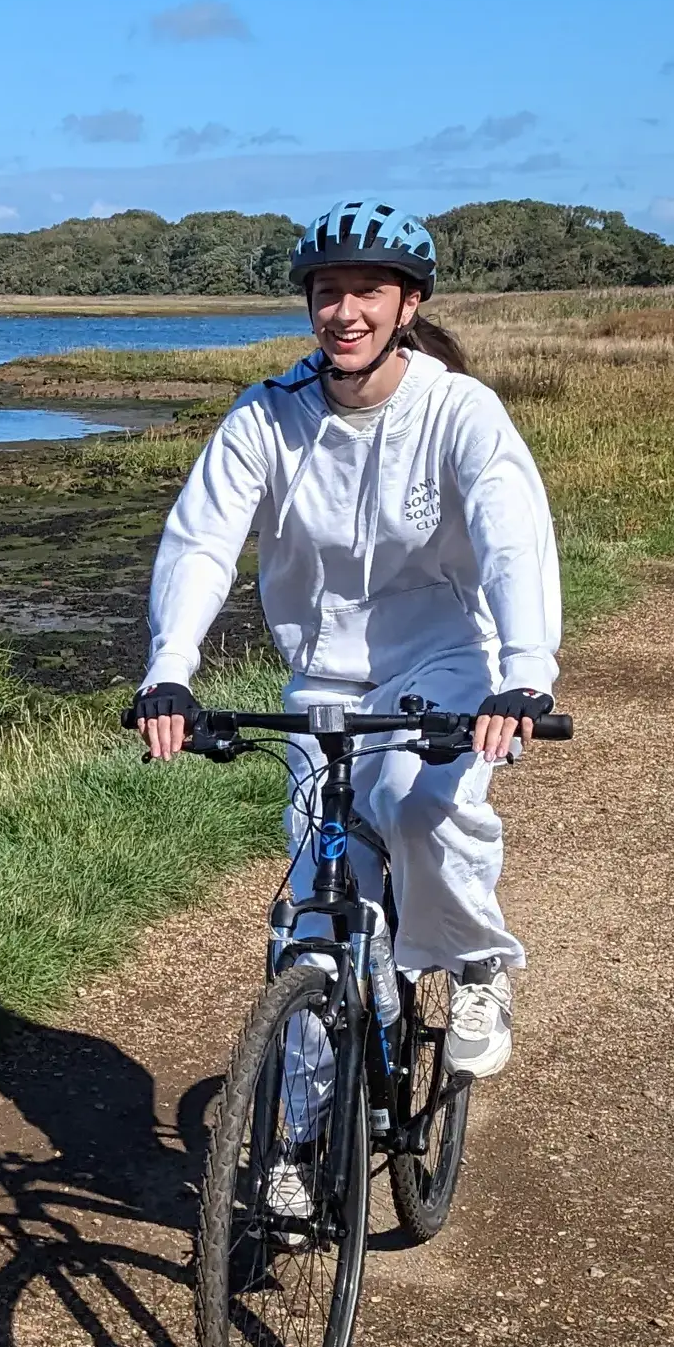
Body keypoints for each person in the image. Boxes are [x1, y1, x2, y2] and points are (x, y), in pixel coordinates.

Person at [131, 197, 560, 1085]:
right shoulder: (268, 414)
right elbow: (204, 538)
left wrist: (523, 674)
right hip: (322, 678)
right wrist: (170, 671)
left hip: (441, 662)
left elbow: (512, 535)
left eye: (371, 290)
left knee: (416, 807)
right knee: (319, 930)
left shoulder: (459, 411)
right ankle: (294, 1144)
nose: (346, 311)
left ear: (410, 307)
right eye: (329, 291)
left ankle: (476, 963)